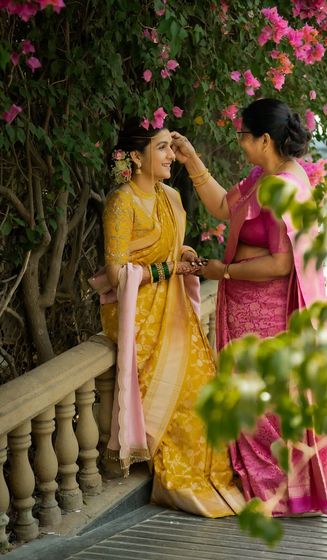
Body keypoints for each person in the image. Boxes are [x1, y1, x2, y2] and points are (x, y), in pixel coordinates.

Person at [171, 98, 327, 516]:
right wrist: (193, 159)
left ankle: (278, 490)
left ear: (265, 138)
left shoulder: (283, 187)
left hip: (265, 311)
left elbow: (282, 262)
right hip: (247, 305)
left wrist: (224, 272)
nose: (240, 143)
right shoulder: (263, 176)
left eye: (244, 136)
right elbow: (223, 207)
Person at [97, 118, 244, 518]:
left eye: (170, 147)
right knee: (181, 402)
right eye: (161, 147)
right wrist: (167, 271)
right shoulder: (121, 201)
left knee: (205, 391)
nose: (170, 156)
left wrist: (183, 254)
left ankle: (217, 478)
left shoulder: (173, 196)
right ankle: (183, 482)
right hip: (139, 312)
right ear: (136, 157)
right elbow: (116, 273)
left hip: (172, 305)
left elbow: (169, 247)